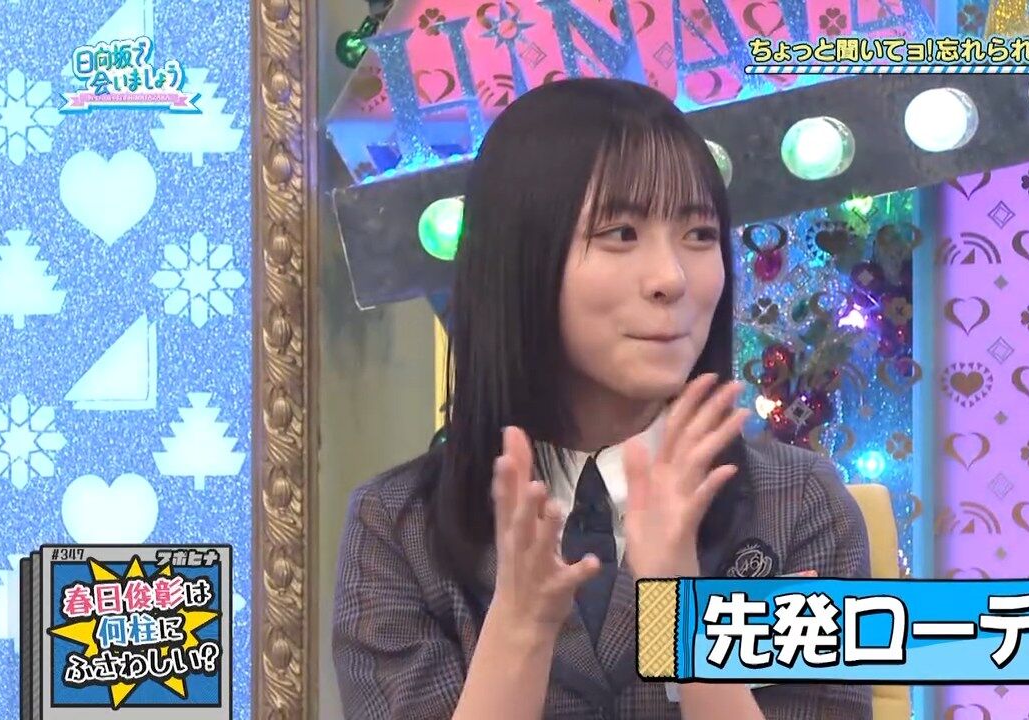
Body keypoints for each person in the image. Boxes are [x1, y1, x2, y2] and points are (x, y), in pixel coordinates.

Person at [333, 77, 873, 720]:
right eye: (620, 233)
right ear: (520, 259)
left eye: (699, 233)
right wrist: (520, 627)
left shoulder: (801, 505)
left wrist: (682, 606)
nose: (671, 278)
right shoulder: (397, 527)